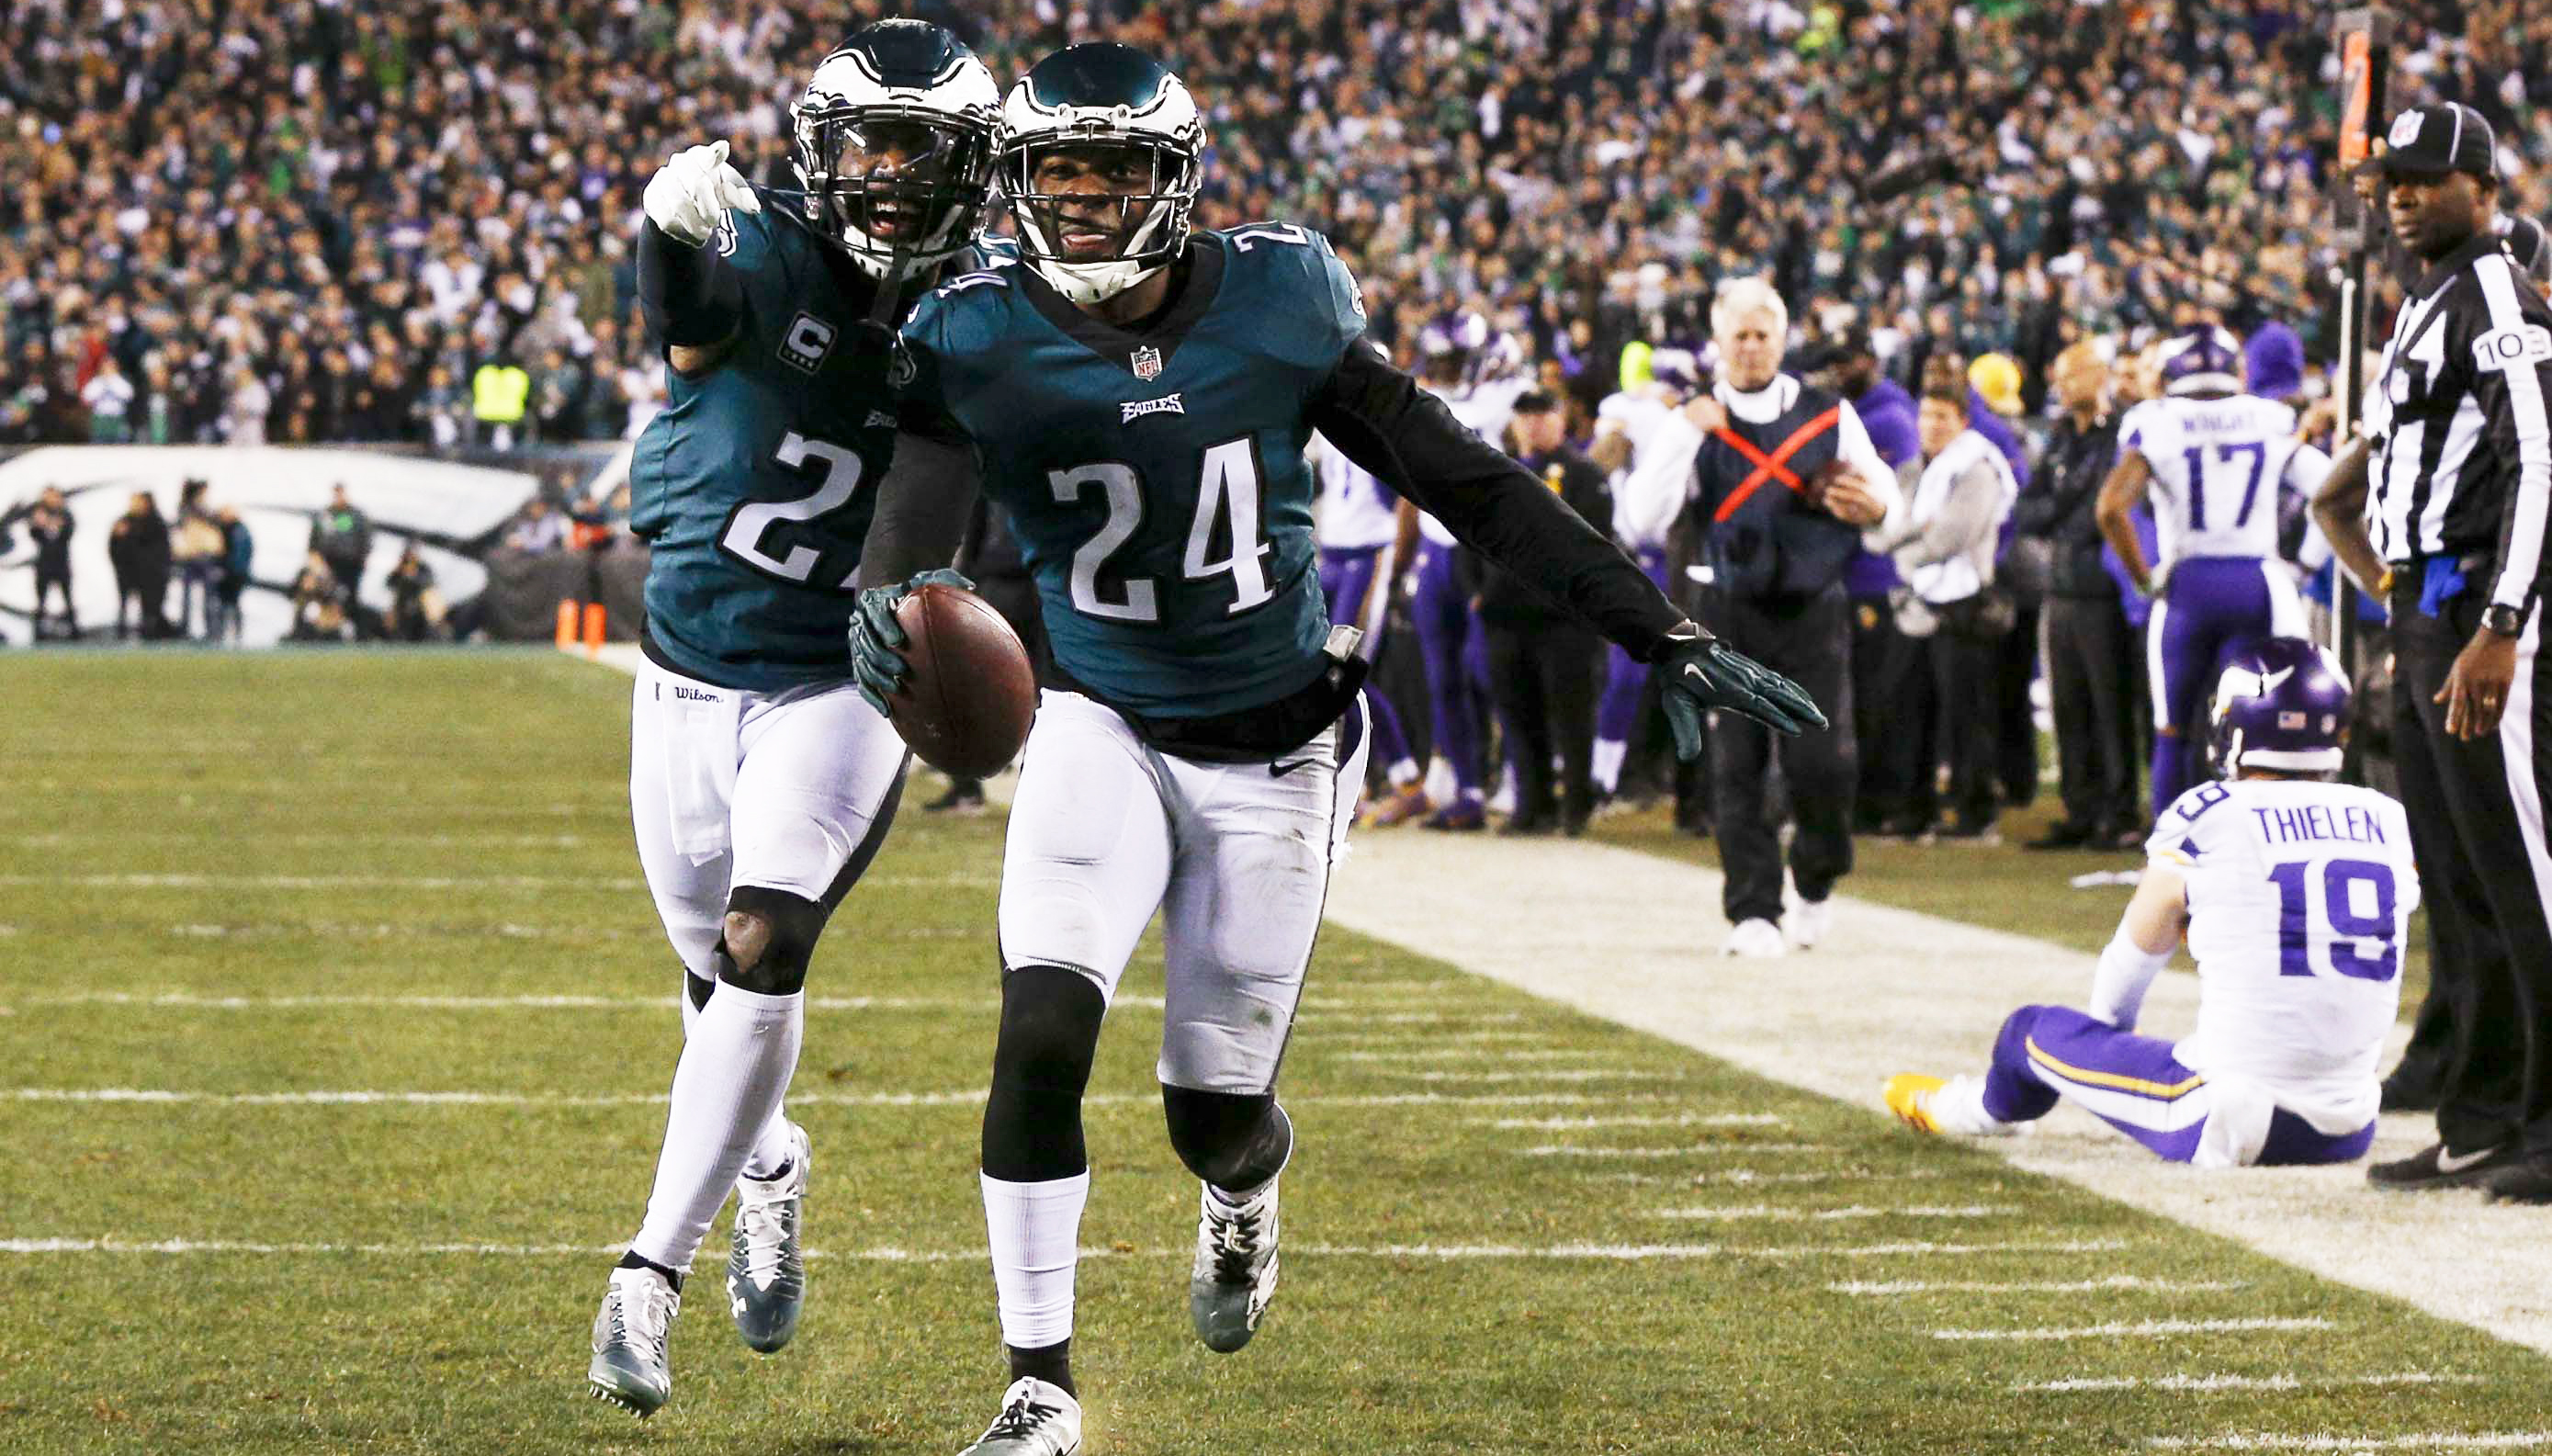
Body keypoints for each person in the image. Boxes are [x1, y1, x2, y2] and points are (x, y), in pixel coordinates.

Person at [850, 44, 1821, 1455]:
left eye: (1111, 172)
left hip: (1280, 741)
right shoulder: (975, 329)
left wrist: (1653, 630)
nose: (1075, 200)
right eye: (1054, 170)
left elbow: (1468, 482)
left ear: (1172, 185)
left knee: (1211, 1117)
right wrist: (885, 595)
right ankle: (1038, 1388)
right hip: (1102, 721)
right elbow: (912, 520)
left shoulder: (1280, 301)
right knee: (1040, 1030)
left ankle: (1244, 1193)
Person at [582, 21, 1008, 1419]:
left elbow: (926, 501)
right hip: (686, 664)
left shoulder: (982, 313)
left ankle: (649, 1274)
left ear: (974, 163)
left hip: (836, 674)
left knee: (763, 944)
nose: (889, 179)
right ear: (822, 150)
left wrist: (896, 605)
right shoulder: (765, 243)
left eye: (921, 151)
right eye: (869, 147)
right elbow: (688, 314)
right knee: (709, 980)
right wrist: (661, 227)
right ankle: (769, 1162)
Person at [1885, 639, 2415, 1168]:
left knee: (2027, 1031)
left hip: (2231, 1118)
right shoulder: (2389, 820)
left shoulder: (2210, 812)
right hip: (2350, 1123)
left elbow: (2136, 949)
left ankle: (1972, 1111)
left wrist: (2100, 1035)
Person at [2309, 103, 2552, 1202]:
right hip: (2423, 610)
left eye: (2424, 178)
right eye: (2390, 180)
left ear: (2484, 189)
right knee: (2459, 879)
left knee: (2525, 870)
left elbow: (2542, 466)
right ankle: (2485, 1109)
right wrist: (2388, 587)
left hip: (2480, 615)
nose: (2402, 195)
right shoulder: (2428, 301)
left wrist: (2502, 623)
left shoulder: (2498, 292)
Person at [1652, 277, 1898, 956]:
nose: (1753, 347)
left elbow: (1885, 500)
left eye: (1764, 334)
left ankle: (1815, 878)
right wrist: (1681, 436)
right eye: (1741, 335)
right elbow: (1640, 515)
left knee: (1825, 764)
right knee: (1736, 764)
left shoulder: (1828, 414)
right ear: (1720, 343)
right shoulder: (1694, 422)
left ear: (1783, 339)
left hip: (1814, 608)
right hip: (1727, 611)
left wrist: (1875, 509)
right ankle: (1752, 910)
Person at [2095, 326, 2328, 819]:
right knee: (2259, 734)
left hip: (2187, 588)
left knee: (2173, 730)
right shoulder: (2267, 418)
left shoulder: (2155, 421)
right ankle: (2258, 849)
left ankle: (2169, 859)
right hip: (2257, 585)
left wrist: (2144, 578)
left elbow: (2111, 510)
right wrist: (2307, 561)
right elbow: (2331, 490)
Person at [1388, 309, 1535, 830]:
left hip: (1485, 551)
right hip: (1436, 546)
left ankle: (1522, 778)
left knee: (1488, 671)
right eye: (1441, 360)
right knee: (1442, 676)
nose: (1444, 369)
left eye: (1453, 360)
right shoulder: (1423, 399)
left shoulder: (1505, 399)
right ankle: (1469, 790)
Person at [1871, 367, 2018, 841]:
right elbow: (1882, 531)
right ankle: (1913, 810)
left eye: (1942, 416)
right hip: (1916, 603)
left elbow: (1949, 537)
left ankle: (1976, 814)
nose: (1932, 424)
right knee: (1906, 709)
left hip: (1963, 604)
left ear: (1962, 421)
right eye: (1926, 414)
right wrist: (1910, 537)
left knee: (1966, 716)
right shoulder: (1918, 469)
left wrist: (1904, 545)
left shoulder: (1977, 468)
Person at [1463, 390, 1612, 834]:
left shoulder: (1583, 475)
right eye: (1524, 415)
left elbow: (1596, 540)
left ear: (1560, 418)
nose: (1532, 423)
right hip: (1506, 614)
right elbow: (1465, 531)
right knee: (1517, 713)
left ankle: (1577, 805)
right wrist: (1474, 589)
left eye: (1542, 414)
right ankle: (1533, 803)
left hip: (1563, 617)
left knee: (1572, 715)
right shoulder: (1494, 471)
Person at [2015, 343, 2141, 849]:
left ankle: (2121, 810)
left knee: (2110, 705)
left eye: (2070, 377)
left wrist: (2061, 510)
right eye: (2059, 379)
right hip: (2061, 586)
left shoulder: (2120, 435)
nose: (2062, 388)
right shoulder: (2063, 438)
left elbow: (2101, 513)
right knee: (2069, 704)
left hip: (2103, 589)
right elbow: (2026, 510)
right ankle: (2081, 809)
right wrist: (2066, 509)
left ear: (2098, 376)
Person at [1588, 345, 1705, 809]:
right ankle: (1602, 777)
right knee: (1624, 676)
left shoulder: (1694, 417)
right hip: (1634, 553)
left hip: (1681, 554)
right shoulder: (1624, 411)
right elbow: (1602, 459)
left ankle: (1675, 785)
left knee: (1685, 675)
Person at [1824, 329, 1925, 834]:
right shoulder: (1859, 414)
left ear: (1870, 360)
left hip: (1877, 576)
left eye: (1848, 362)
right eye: (1834, 364)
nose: (1839, 372)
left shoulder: (1891, 419)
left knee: (1879, 696)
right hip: (1853, 574)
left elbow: (1889, 497)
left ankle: (1882, 800)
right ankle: (1867, 798)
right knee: (1859, 695)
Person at [1307, 430, 1428, 822]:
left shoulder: (1375, 429)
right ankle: (1356, 782)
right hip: (1332, 559)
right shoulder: (1327, 425)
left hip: (1366, 560)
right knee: (1317, 672)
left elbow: (1403, 494)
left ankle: (1404, 781)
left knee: (1343, 675)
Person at [106, 491, 171, 640]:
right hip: (126, 571)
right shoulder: (123, 521)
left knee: (150, 606)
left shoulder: (155, 522)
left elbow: (159, 549)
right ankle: (121, 633)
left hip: (150, 573)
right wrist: (118, 564)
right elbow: (112, 546)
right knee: (123, 604)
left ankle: (149, 634)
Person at [24, 487, 76, 640]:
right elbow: (34, 535)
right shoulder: (38, 514)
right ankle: (38, 634)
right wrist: (40, 524)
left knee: (68, 599)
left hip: (61, 563)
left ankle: (74, 632)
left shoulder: (66, 514)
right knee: (40, 601)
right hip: (44, 564)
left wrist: (57, 525)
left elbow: (69, 534)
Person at [308, 484, 371, 600]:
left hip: (351, 563)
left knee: (348, 596)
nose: (338, 497)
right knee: (325, 594)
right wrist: (313, 555)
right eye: (336, 494)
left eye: (340, 493)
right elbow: (314, 538)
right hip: (328, 561)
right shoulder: (325, 514)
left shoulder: (356, 515)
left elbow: (366, 537)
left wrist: (363, 557)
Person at [212, 505, 252, 644]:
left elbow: (239, 556)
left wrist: (228, 570)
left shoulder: (239, 531)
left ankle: (235, 635)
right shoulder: (231, 529)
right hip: (230, 572)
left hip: (235, 573)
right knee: (225, 604)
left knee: (231, 603)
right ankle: (223, 634)